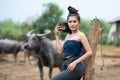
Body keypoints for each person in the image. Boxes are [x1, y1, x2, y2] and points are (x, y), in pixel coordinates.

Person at [51, 6, 92, 80]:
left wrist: (75, 62)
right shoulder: (68, 36)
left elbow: (89, 52)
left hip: (75, 66)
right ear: (68, 23)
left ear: (79, 23)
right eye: (70, 22)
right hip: (65, 65)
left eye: (74, 21)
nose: (72, 24)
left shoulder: (81, 35)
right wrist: (56, 35)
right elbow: (60, 51)